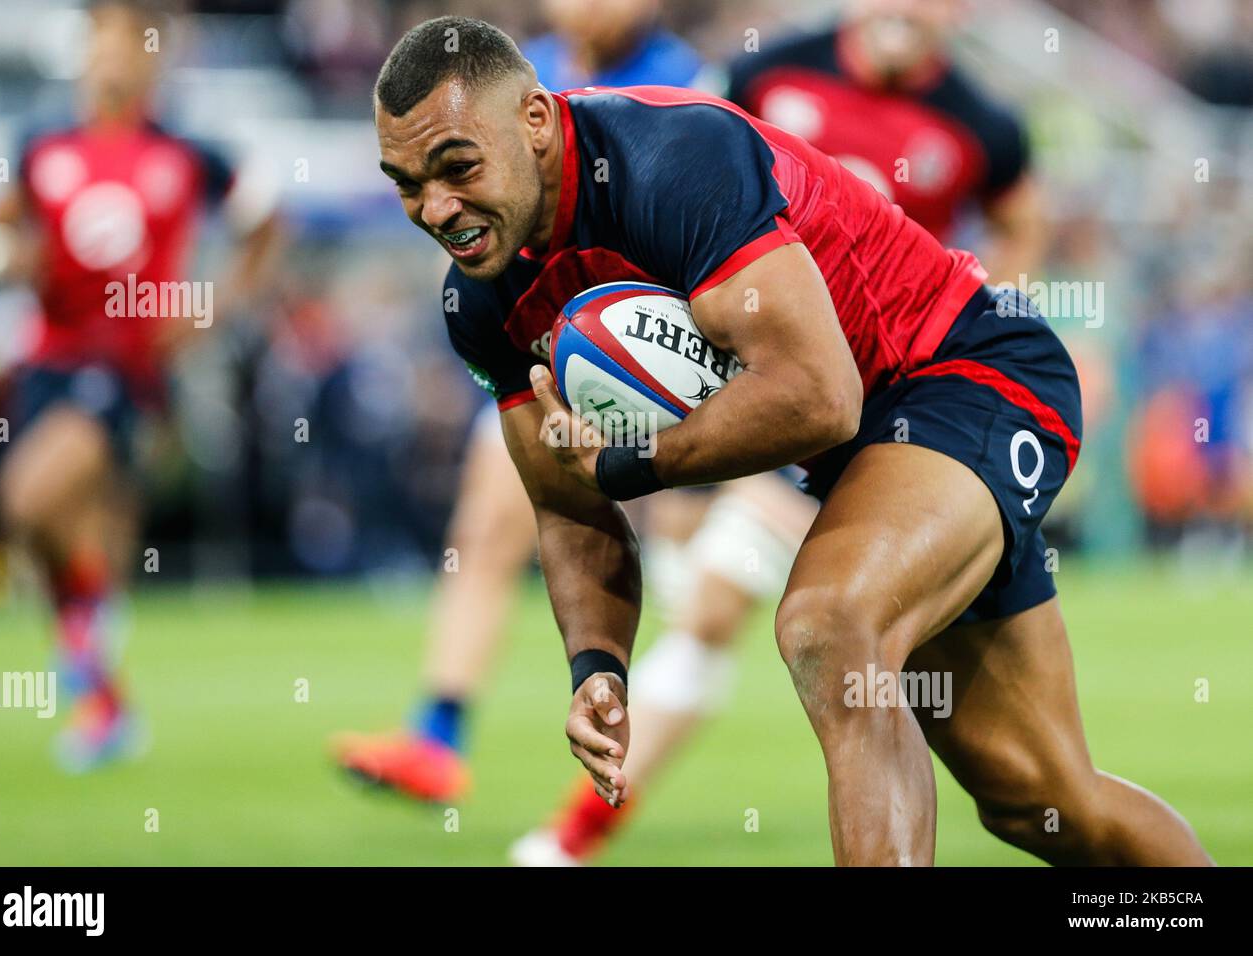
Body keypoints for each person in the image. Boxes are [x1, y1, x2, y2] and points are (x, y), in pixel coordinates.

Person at [371, 16, 1211, 865]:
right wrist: (598, 665)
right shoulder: (481, 300)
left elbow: (819, 395)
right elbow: (566, 506)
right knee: (1042, 802)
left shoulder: (669, 157)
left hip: (967, 373)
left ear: (537, 124)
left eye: (458, 167)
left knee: (829, 621)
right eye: (406, 183)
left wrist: (635, 462)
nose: (436, 209)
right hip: (862, 457)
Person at [514, 0, 1054, 865]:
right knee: (753, 616)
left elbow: (1022, 221)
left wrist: (996, 293)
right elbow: (689, 176)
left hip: (905, 391)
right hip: (772, 389)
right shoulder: (773, 70)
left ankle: (566, 841)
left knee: (1032, 792)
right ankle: (569, 837)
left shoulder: (982, 122)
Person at [331, 0, 702, 803]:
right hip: (543, 357)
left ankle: (663, 694)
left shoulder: (683, 80)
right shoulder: (502, 74)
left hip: (667, 367)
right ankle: (439, 732)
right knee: (492, 525)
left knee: (706, 577)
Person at [0, 0, 280, 771]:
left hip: (126, 370)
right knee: (70, 538)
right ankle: (105, 702)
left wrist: (207, 307)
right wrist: (2, 257)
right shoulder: (43, 146)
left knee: (26, 500)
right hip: (44, 361)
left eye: (128, 44)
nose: (113, 59)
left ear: (155, 58)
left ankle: (91, 633)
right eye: (101, 42)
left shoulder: (186, 153)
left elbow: (263, 225)